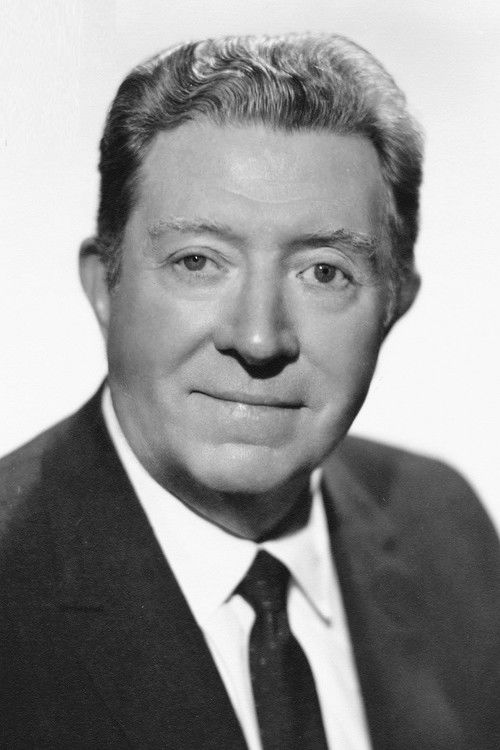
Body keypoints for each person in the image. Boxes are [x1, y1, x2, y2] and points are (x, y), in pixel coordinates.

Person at [0, 32, 498, 750]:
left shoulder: (443, 525)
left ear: (395, 304)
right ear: (105, 286)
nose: (259, 338)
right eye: (198, 262)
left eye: (324, 272)